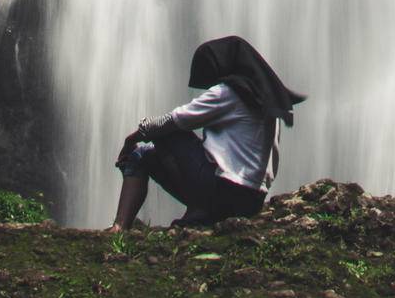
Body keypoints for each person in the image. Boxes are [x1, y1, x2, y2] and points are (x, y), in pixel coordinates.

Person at [111, 35, 305, 230]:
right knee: (143, 155)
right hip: (252, 200)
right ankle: (200, 213)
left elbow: (173, 120)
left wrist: (132, 138)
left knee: (169, 133)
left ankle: (120, 227)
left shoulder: (228, 93)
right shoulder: (266, 102)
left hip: (222, 191)